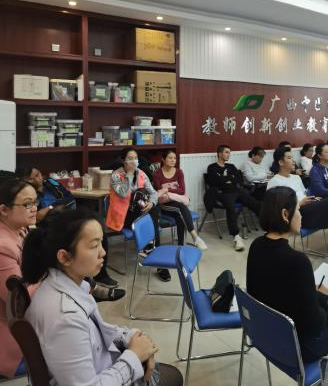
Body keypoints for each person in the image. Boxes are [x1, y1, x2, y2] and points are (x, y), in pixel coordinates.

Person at [23, 209, 183, 385]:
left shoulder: (70, 284)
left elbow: (98, 331)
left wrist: (130, 337)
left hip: (104, 365)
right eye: (94, 246)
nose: (103, 253)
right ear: (65, 257)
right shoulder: (64, 318)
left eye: (101, 243)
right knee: (173, 377)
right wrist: (134, 356)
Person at [247, 187, 328, 364]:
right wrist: (326, 299)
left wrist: (325, 298)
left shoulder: (256, 246)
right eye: (298, 210)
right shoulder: (297, 261)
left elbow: (277, 291)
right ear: (285, 214)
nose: (300, 215)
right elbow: (315, 325)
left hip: (269, 337)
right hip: (303, 348)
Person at [267, 148, 328, 272]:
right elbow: (278, 210)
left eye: (292, 158)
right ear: (280, 162)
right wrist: (300, 203)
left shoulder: (296, 178)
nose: (293, 161)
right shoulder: (274, 182)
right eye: (289, 158)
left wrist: (312, 199)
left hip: (308, 211)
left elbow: (304, 194)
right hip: (295, 217)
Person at [106, 147, 169, 281]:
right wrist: (129, 174)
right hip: (123, 216)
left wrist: (151, 202)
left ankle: (153, 254)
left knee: (153, 211)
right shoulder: (116, 175)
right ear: (123, 160)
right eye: (130, 158)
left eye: (135, 158)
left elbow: (153, 193)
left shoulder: (141, 173)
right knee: (152, 217)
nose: (134, 161)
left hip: (139, 212)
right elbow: (123, 193)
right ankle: (157, 259)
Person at [0, 178, 36, 378]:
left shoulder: (20, 229)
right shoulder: (2, 247)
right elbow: (19, 302)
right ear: (4, 210)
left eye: (35, 202)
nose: (34, 208)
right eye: (27, 204)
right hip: (10, 339)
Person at [203, 144, 263, 252]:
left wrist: (225, 178)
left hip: (236, 191)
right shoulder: (212, 167)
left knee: (254, 202)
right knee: (230, 207)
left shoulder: (231, 166)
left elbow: (238, 180)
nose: (228, 154)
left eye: (229, 153)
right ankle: (236, 237)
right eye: (226, 152)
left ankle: (267, 226)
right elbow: (214, 182)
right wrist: (229, 178)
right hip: (223, 193)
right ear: (220, 154)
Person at [152, 149, 207, 251]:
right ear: (163, 159)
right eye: (170, 158)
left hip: (177, 202)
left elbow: (182, 191)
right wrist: (173, 190)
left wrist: (167, 189)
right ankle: (195, 237)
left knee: (180, 216)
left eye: (174, 158)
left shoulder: (179, 172)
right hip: (164, 204)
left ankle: (181, 247)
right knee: (181, 208)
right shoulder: (157, 174)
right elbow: (159, 193)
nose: (173, 160)